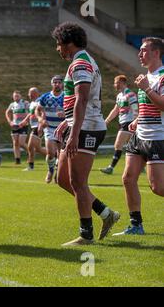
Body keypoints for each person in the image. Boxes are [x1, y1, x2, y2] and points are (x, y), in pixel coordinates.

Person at [51, 22, 120, 246]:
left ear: (68, 43)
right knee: (62, 179)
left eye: (58, 44)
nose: (57, 49)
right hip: (80, 124)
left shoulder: (80, 63)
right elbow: (79, 102)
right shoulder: (80, 61)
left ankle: (86, 235)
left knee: (78, 183)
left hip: (87, 127)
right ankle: (106, 213)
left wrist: (74, 132)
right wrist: (67, 123)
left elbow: (82, 99)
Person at [113, 37, 164, 236]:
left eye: (143, 50)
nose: (139, 54)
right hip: (139, 136)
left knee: (158, 188)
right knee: (127, 178)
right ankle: (136, 225)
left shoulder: (161, 77)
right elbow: (147, 107)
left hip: (157, 137)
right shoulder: (145, 77)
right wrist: (137, 119)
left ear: (156, 53)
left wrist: (146, 88)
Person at [100, 75, 138, 174]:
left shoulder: (130, 95)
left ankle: (111, 167)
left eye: (116, 82)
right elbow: (116, 110)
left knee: (118, 144)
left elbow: (136, 110)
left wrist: (135, 122)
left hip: (128, 123)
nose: (114, 85)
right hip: (122, 123)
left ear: (122, 83)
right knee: (134, 147)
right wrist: (106, 121)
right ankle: (140, 165)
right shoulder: (119, 96)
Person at [36, 75, 65, 183]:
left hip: (63, 128)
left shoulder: (66, 97)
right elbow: (37, 110)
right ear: (51, 84)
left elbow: (73, 111)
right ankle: (50, 170)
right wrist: (40, 120)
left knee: (61, 154)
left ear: (62, 84)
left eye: (59, 82)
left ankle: (58, 172)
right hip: (49, 128)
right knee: (50, 153)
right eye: (55, 82)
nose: (57, 84)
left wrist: (65, 114)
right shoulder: (45, 97)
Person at [19, 87, 46, 171]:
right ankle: (55, 155)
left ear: (36, 93)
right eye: (29, 93)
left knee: (30, 146)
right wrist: (24, 121)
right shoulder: (32, 103)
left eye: (31, 93)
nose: (29, 94)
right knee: (38, 149)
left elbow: (43, 113)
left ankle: (31, 166)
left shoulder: (39, 101)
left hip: (38, 126)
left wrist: (41, 125)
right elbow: (30, 114)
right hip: (33, 126)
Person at [5, 91, 29, 165]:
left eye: (17, 96)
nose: (16, 97)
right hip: (15, 125)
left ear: (20, 96)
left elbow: (31, 112)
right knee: (15, 143)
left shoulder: (25, 103)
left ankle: (30, 152)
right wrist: (10, 122)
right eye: (15, 96)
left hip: (23, 125)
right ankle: (17, 160)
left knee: (21, 143)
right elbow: (7, 112)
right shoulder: (12, 104)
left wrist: (25, 121)